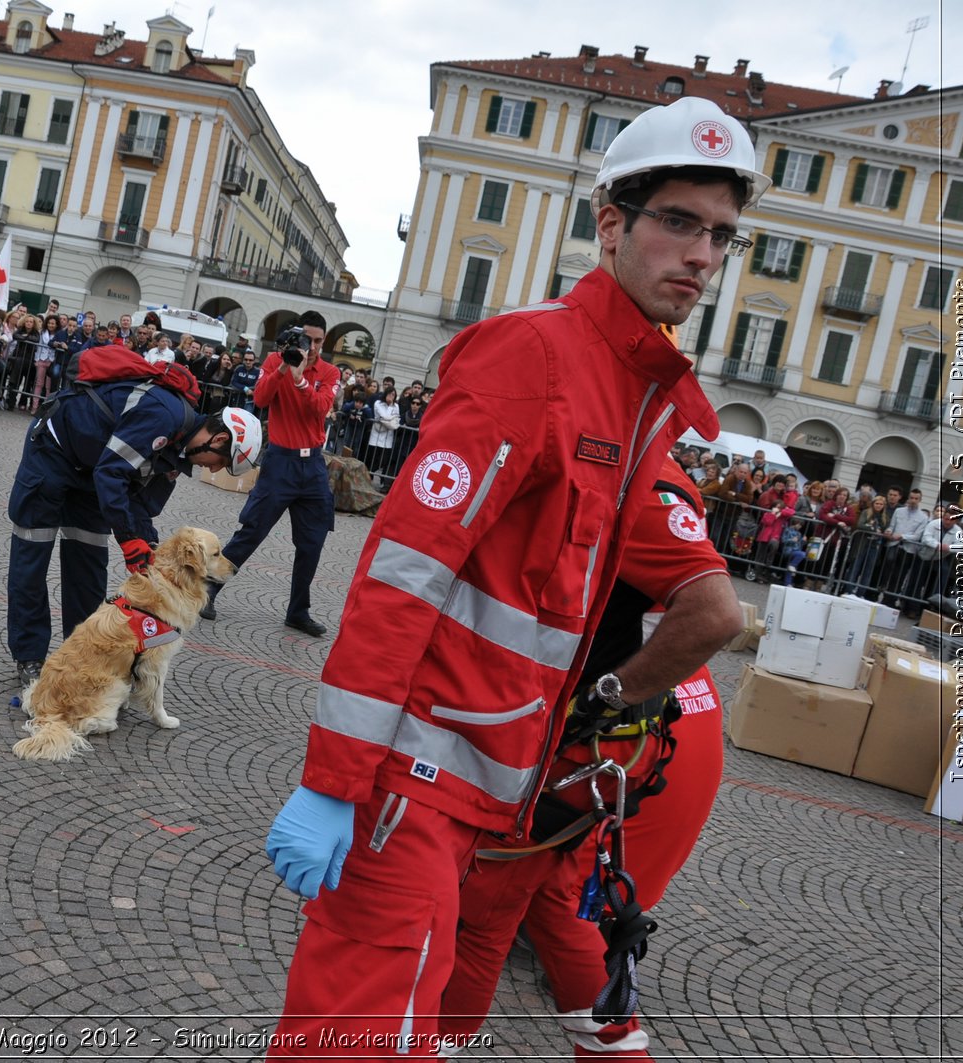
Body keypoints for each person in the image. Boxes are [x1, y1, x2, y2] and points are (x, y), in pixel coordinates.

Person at [259, 94, 759, 1056]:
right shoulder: (534, 356)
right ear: (611, 223)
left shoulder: (631, 388)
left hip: (486, 791)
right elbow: (402, 578)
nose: (701, 255)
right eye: (678, 222)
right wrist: (334, 780)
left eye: (721, 236)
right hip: (414, 778)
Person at [438, 456, 740, 1060]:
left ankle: (431, 1049)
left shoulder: (636, 472)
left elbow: (715, 613)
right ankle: (621, 1054)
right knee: (554, 910)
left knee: (480, 921)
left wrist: (604, 696)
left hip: (591, 749)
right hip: (618, 741)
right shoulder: (634, 461)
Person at [6, 354, 264, 689]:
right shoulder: (162, 415)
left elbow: (141, 507)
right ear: (218, 439)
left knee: (88, 566)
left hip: (92, 473)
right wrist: (128, 539)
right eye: (219, 463)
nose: (213, 471)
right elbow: (112, 472)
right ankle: (30, 657)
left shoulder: (177, 456)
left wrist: (152, 557)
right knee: (32, 558)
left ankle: (85, 658)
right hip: (52, 453)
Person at [201, 310, 342, 637]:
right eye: (307, 339)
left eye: (318, 340)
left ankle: (298, 611)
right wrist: (282, 367)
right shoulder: (275, 362)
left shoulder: (329, 371)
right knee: (252, 530)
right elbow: (261, 398)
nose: (313, 346)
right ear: (295, 336)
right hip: (281, 462)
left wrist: (301, 379)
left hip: (313, 466)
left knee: (312, 542)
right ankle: (209, 591)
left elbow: (320, 408)